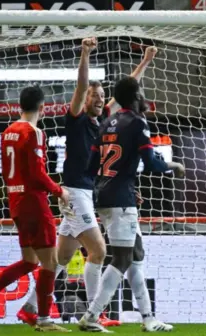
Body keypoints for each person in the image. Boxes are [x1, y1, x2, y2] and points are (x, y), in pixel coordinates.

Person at [17, 39, 159, 328]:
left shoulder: (103, 122)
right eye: (94, 96)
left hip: (85, 193)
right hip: (75, 193)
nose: (98, 99)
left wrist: (144, 62)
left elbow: (125, 92)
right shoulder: (78, 119)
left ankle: (30, 307)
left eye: (101, 96)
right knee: (99, 251)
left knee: (61, 257)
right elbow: (81, 87)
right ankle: (98, 314)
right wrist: (85, 54)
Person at [77, 76, 185, 332]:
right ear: (136, 95)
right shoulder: (137, 122)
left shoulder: (105, 124)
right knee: (123, 259)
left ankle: (148, 318)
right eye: (141, 91)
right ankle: (91, 315)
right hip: (121, 200)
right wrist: (174, 165)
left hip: (104, 197)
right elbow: (151, 163)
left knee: (136, 256)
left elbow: (92, 167)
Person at [0, 86, 70, 332]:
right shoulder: (34, 132)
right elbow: (37, 173)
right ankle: (44, 320)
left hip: (16, 203)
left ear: (20, 105)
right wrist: (59, 191)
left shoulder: (8, 131)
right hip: (34, 203)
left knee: (30, 261)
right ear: (42, 108)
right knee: (50, 262)